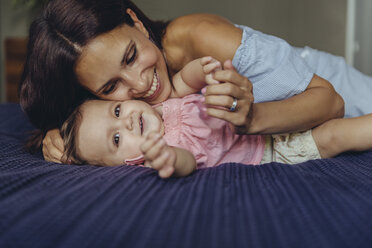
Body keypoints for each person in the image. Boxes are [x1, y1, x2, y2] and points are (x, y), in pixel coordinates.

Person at [24, 0, 372, 163]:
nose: (141, 84)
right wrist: (59, 135)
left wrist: (252, 119)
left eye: (131, 56)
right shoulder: (116, 111)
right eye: (110, 88)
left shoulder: (203, 42)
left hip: (330, 87)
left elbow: (333, 103)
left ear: (137, 22)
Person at [60, 95, 372, 178]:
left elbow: (189, 78)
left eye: (116, 111)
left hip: (267, 119)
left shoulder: (161, 105)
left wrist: (206, 74)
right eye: (116, 140)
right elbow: (186, 164)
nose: (125, 123)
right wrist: (166, 159)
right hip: (276, 151)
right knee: (336, 134)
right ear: (128, 162)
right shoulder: (160, 152)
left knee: (333, 112)